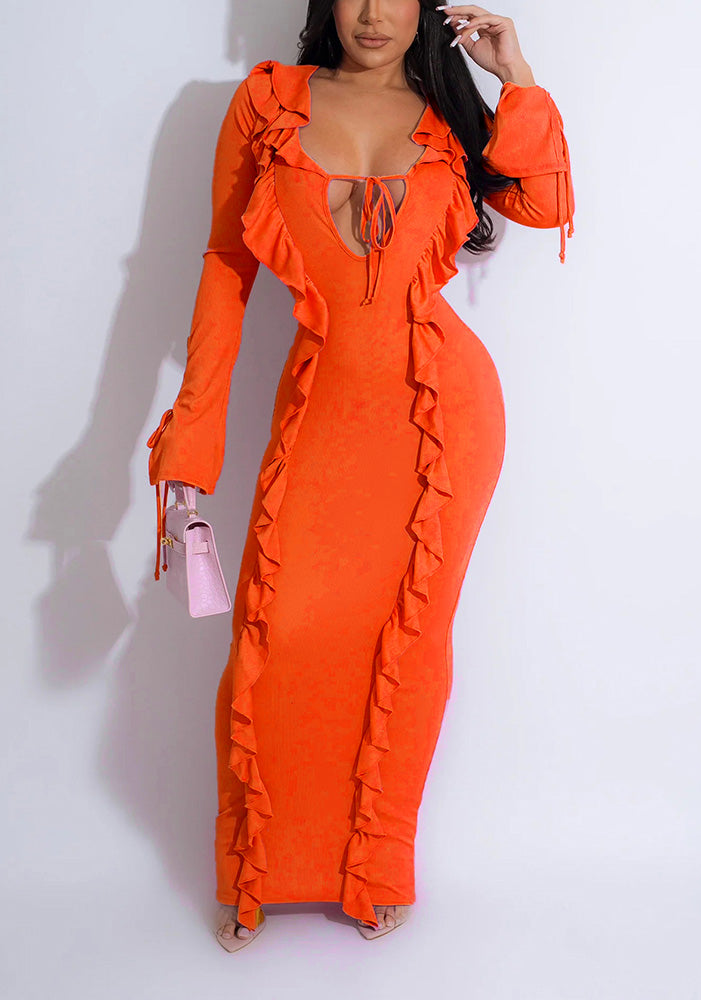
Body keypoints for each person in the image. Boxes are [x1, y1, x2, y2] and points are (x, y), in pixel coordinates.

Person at [146, 0, 574, 951]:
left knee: (407, 642)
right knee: (281, 628)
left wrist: (515, 73)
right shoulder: (270, 104)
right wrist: (192, 439)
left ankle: (372, 869)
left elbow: (542, 204)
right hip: (324, 410)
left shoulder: (450, 113)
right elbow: (226, 265)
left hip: (444, 417)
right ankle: (255, 871)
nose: (374, 13)